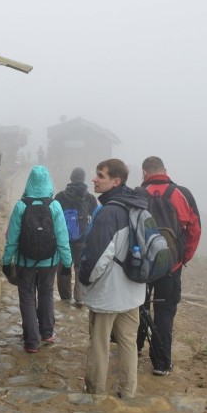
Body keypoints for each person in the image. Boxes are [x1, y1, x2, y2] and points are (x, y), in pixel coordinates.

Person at [78, 159, 149, 398]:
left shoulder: (109, 212)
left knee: (99, 341)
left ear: (116, 181)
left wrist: (85, 280)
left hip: (110, 292)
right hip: (134, 288)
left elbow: (98, 257)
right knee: (128, 342)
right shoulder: (136, 206)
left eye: (101, 175)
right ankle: (128, 390)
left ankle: (95, 391)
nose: (94, 179)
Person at [138, 156, 201, 376]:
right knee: (164, 312)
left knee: (139, 305)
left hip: (143, 265)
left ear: (144, 172)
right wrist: (184, 258)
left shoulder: (138, 193)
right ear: (165, 170)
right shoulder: (182, 194)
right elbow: (194, 229)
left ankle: (134, 348)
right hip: (171, 266)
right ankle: (161, 363)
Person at [2, 165, 71, 353]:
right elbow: (63, 237)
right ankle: (47, 333)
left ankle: (32, 341)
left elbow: (12, 239)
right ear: (49, 181)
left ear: (29, 182)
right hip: (49, 262)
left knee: (27, 298)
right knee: (47, 294)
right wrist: (67, 263)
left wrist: (6, 262)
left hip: (25, 262)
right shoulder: (55, 205)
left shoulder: (21, 206)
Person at [54, 167, 98, 305]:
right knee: (80, 267)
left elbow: (54, 217)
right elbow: (96, 218)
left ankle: (65, 298)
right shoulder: (90, 198)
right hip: (82, 239)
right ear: (84, 179)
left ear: (71, 178)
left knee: (63, 266)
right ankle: (79, 297)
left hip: (63, 239)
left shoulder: (60, 196)